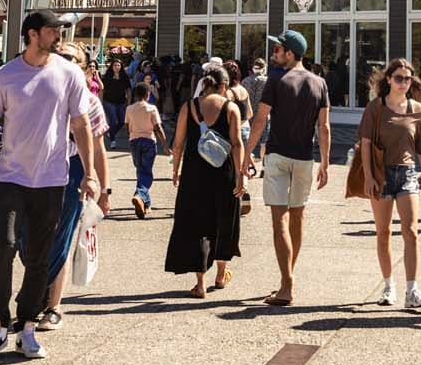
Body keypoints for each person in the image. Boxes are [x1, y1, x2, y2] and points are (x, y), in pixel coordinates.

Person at [0, 9, 97, 362]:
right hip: (11, 177)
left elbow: (81, 124)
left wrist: (90, 173)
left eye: (59, 30)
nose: (58, 36)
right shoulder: (5, 76)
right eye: (52, 30)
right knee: (4, 248)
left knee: (40, 257)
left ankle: (27, 327)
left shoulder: (70, 73)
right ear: (32, 34)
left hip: (52, 179)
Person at [242, 29, 330, 306]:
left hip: (278, 155)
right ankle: (286, 279)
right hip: (305, 157)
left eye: (278, 49)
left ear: (290, 53)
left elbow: (260, 120)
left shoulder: (277, 80)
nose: (274, 53)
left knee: (279, 219)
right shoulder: (319, 83)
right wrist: (325, 161)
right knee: (297, 217)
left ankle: (287, 284)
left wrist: (248, 154)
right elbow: (324, 126)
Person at [31, 41, 112, 331]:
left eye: (71, 58)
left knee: (61, 238)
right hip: (36, 169)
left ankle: (52, 306)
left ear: (83, 68)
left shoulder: (90, 103)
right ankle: (37, 287)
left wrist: (104, 190)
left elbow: (99, 149)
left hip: (73, 168)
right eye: (59, 56)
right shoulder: (38, 91)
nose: (63, 61)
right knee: (26, 239)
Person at [357, 57, 421, 309]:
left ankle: (413, 289)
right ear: (388, 79)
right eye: (398, 78)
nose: (403, 82)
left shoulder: (418, 109)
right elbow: (365, 143)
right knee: (383, 232)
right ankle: (389, 286)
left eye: (408, 78)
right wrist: (368, 176)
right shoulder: (375, 108)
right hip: (381, 174)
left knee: (411, 232)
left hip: (408, 173)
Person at [165, 63, 243, 297]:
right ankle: (221, 274)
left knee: (198, 223)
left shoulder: (188, 106)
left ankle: (200, 283)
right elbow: (237, 143)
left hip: (194, 172)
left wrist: (176, 169)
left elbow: (178, 143)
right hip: (223, 171)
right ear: (223, 86)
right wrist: (241, 176)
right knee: (224, 220)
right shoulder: (231, 108)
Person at [125, 82, 168, 218]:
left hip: (134, 141)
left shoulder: (129, 109)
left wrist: (131, 134)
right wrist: (166, 146)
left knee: (141, 170)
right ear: (148, 94)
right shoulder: (151, 108)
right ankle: (139, 195)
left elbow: (127, 126)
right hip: (149, 141)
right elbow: (158, 128)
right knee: (146, 172)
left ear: (136, 95)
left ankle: (146, 203)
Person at [100, 57, 131, 148]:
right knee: (113, 121)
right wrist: (101, 102)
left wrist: (129, 101)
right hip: (109, 101)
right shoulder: (107, 77)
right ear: (112, 66)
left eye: (118, 65)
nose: (117, 67)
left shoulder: (124, 77)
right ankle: (113, 140)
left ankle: (111, 133)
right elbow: (102, 90)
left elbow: (128, 90)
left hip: (121, 102)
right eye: (115, 65)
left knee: (122, 121)